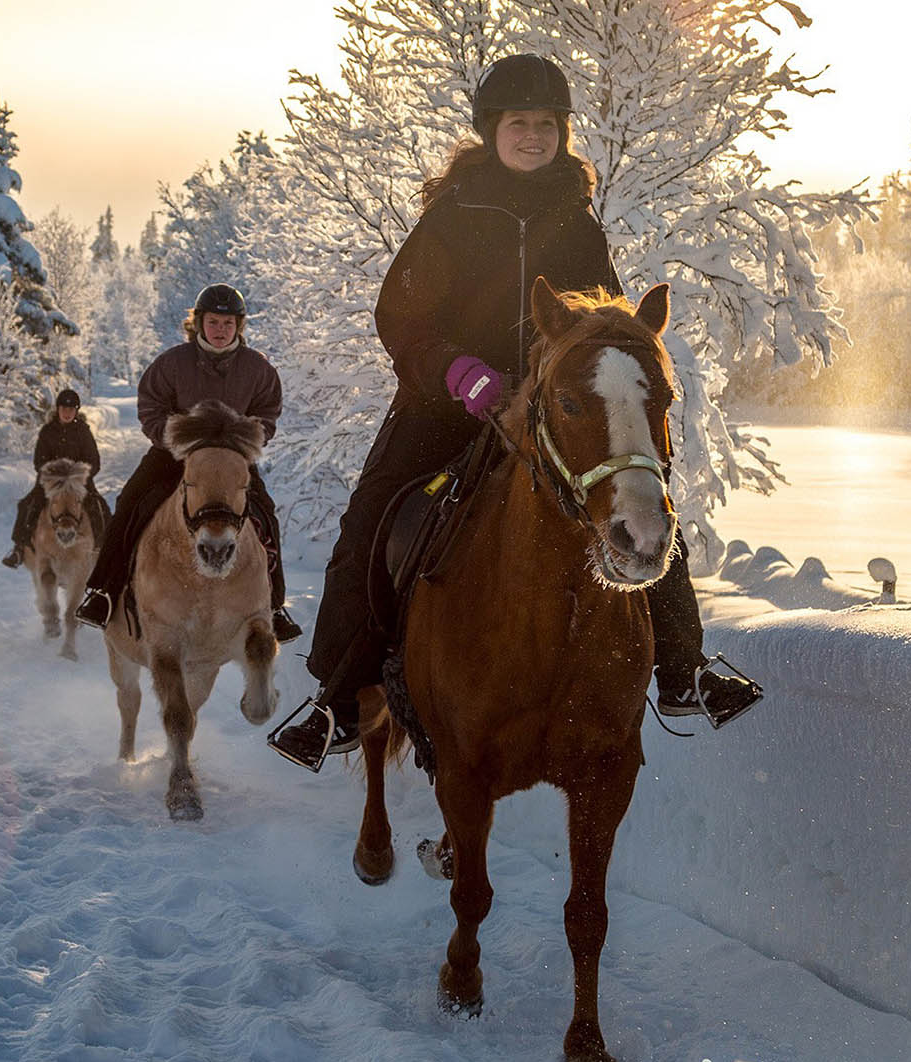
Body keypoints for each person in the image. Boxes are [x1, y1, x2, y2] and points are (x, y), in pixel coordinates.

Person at [267, 54, 762, 771]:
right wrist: (460, 373)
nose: (533, 135)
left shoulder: (577, 221)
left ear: (562, 132)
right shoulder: (453, 216)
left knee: (639, 489)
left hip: (550, 407)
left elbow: (606, 319)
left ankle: (686, 669)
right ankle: (339, 700)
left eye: (546, 124)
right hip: (446, 407)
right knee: (372, 510)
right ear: (492, 130)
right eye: (518, 123)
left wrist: (610, 359)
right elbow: (399, 317)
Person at [73, 284, 303, 644]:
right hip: (173, 457)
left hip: (231, 462)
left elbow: (267, 414)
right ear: (198, 324)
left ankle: (273, 606)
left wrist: (242, 442)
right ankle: (102, 591)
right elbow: (150, 407)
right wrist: (177, 438)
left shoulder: (258, 368)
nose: (221, 329)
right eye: (213, 322)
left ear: (239, 326)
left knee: (265, 514)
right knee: (132, 502)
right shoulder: (172, 363)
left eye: (228, 323)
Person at [1, 388, 108, 568]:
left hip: (79, 485)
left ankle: (103, 549)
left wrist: (80, 476)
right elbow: (39, 461)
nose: (67, 413)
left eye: (71, 409)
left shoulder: (83, 432)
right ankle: (20, 548)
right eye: (64, 409)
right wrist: (53, 476)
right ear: (57, 409)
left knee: (100, 507)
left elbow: (94, 461)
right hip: (50, 484)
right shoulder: (47, 431)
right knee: (27, 505)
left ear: (76, 411)